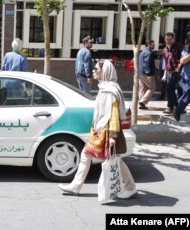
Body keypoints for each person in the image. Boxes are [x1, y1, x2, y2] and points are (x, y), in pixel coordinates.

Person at [58, 60, 137, 199]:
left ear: (104, 71)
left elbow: (113, 114)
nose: (93, 71)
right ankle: (75, 186)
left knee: (115, 159)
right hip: (100, 130)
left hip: (108, 131)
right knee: (87, 155)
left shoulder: (110, 91)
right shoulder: (105, 88)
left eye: (96, 69)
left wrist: (113, 137)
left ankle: (130, 187)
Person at [162, 32, 183, 114]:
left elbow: (183, 57)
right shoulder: (165, 49)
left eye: (170, 39)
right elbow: (166, 63)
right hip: (169, 72)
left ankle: (170, 107)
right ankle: (179, 107)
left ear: (173, 39)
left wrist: (178, 68)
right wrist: (164, 74)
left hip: (177, 71)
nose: (168, 41)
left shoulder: (179, 47)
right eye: (166, 40)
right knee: (171, 89)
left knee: (169, 88)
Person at [174, 40, 190, 121]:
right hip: (188, 78)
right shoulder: (188, 48)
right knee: (187, 98)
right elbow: (182, 61)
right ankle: (177, 111)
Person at [138, 40, 156, 109]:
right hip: (146, 74)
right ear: (148, 44)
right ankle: (142, 101)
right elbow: (146, 64)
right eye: (153, 44)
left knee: (142, 88)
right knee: (152, 88)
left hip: (140, 73)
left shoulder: (142, 52)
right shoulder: (149, 53)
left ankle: (141, 104)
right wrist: (148, 74)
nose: (154, 46)